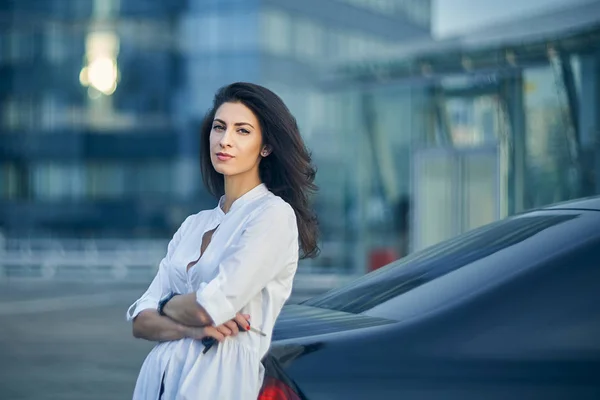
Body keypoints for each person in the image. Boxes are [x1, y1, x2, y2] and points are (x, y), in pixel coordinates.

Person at [126, 82, 319, 399]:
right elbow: (140, 322)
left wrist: (164, 305)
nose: (225, 140)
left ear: (265, 146)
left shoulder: (272, 215)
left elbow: (208, 308)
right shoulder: (194, 224)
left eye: (242, 131)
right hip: (158, 381)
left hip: (220, 379)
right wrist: (189, 328)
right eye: (219, 127)